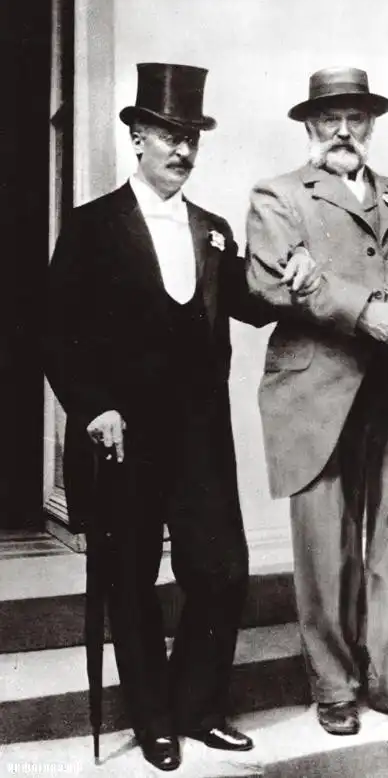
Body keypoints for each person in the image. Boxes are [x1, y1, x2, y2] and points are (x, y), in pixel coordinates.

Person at [44, 63, 318, 771]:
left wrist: (291, 276)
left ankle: (198, 708)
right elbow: (55, 332)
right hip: (123, 435)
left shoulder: (213, 230)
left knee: (222, 570)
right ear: (137, 137)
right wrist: (94, 406)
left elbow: (249, 304)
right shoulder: (92, 226)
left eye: (192, 136)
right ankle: (155, 721)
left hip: (199, 434)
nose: (183, 149)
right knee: (130, 578)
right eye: (169, 135)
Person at [245, 66, 388, 736]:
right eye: (329, 119)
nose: (343, 131)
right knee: (325, 550)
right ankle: (333, 686)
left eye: (356, 118)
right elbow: (272, 280)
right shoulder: (278, 196)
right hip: (314, 395)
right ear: (310, 126)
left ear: (371, 126)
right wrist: (369, 311)